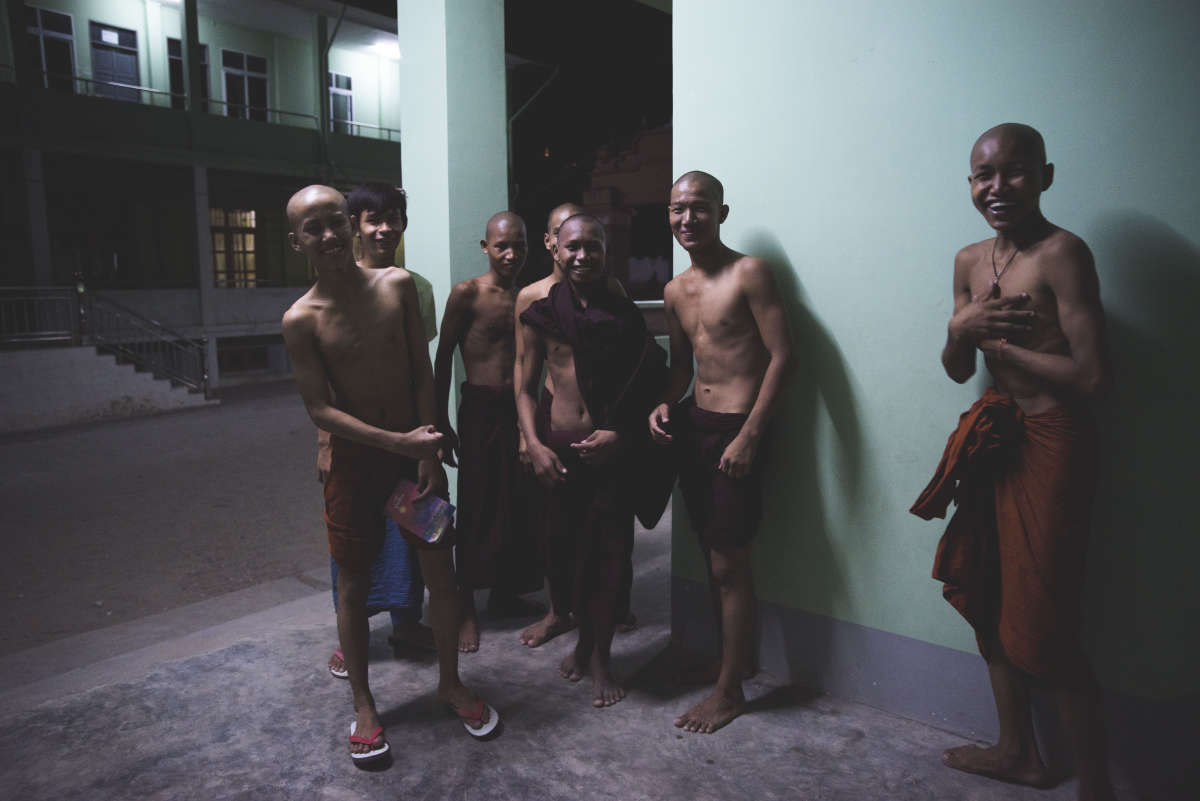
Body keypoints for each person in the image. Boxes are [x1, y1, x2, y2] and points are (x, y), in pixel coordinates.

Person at [910, 124, 1114, 801]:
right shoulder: (969, 259)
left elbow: (1090, 377)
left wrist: (1000, 341)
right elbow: (958, 364)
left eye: (1014, 171)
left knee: (1048, 614)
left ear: (1046, 176)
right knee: (987, 590)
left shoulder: (1064, 254)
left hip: (1053, 441)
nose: (996, 187)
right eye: (982, 175)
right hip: (997, 441)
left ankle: (1096, 786)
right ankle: (1017, 750)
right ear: (969, 183)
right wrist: (957, 332)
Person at [282, 185, 498, 765]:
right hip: (356, 466)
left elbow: (420, 369)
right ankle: (365, 705)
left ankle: (450, 683)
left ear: (348, 227)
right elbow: (320, 409)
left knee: (440, 574)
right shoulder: (300, 319)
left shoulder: (396, 287)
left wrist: (424, 447)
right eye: (313, 228)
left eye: (334, 223)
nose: (327, 236)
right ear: (296, 240)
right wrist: (394, 442)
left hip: (413, 458)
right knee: (352, 585)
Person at [649, 171, 792, 734]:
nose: (688, 219)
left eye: (700, 208)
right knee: (713, 558)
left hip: (738, 426)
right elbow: (682, 368)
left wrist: (751, 434)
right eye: (678, 209)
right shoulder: (673, 291)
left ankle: (730, 690)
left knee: (730, 561)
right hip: (696, 427)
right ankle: (733, 664)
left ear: (721, 213)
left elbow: (783, 357)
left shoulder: (749, 273)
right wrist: (662, 404)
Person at [516, 213, 666, 707]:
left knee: (606, 557)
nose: (582, 256)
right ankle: (580, 642)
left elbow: (644, 376)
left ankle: (600, 657)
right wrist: (533, 443)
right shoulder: (540, 310)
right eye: (573, 247)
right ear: (555, 250)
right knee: (563, 554)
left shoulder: (620, 311)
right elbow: (523, 384)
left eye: (593, 247)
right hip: (558, 448)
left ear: (606, 251)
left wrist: (620, 432)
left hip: (609, 451)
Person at [323, 184, 435, 679]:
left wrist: (427, 442)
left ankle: (408, 623)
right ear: (353, 227)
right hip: (352, 440)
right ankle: (353, 639)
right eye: (372, 219)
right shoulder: (334, 288)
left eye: (393, 218)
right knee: (353, 545)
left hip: (408, 435)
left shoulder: (416, 287)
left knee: (409, 532)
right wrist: (324, 443)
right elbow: (324, 383)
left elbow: (416, 369)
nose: (384, 229)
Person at [434, 211, 544, 653]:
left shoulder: (527, 296)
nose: (511, 254)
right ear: (485, 247)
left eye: (519, 245)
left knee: (519, 500)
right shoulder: (468, 293)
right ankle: (465, 607)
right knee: (478, 503)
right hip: (479, 407)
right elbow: (443, 358)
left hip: (518, 405)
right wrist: (440, 421)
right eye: (502, 245)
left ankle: (505, 592)